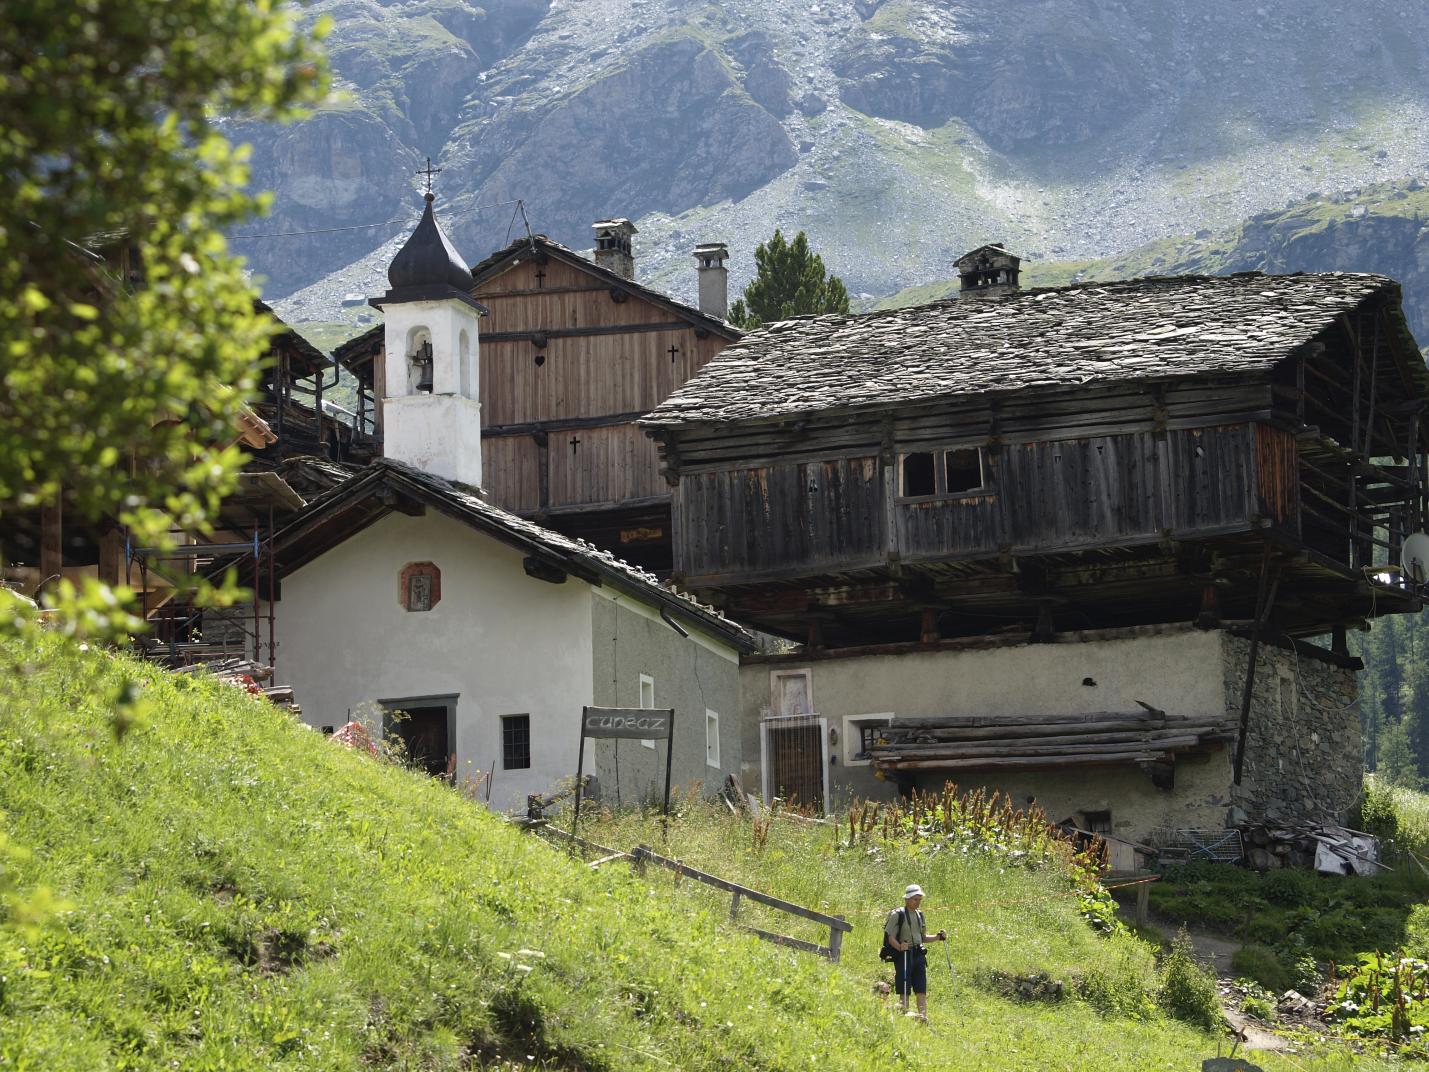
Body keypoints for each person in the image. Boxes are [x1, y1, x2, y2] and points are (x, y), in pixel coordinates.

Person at [885, 883, 946, 1020]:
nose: (918, 902)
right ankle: (903, 1014)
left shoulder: (920, 915)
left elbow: (923, 937)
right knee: (904, 987)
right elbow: (890, 938)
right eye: (915, 899)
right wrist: (900, 947)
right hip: (904, 955)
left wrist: (938, 937)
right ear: (907, 899)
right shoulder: (897, 914)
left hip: (918, 954)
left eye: (919, 899)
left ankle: (923, 1018)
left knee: (921, 987)